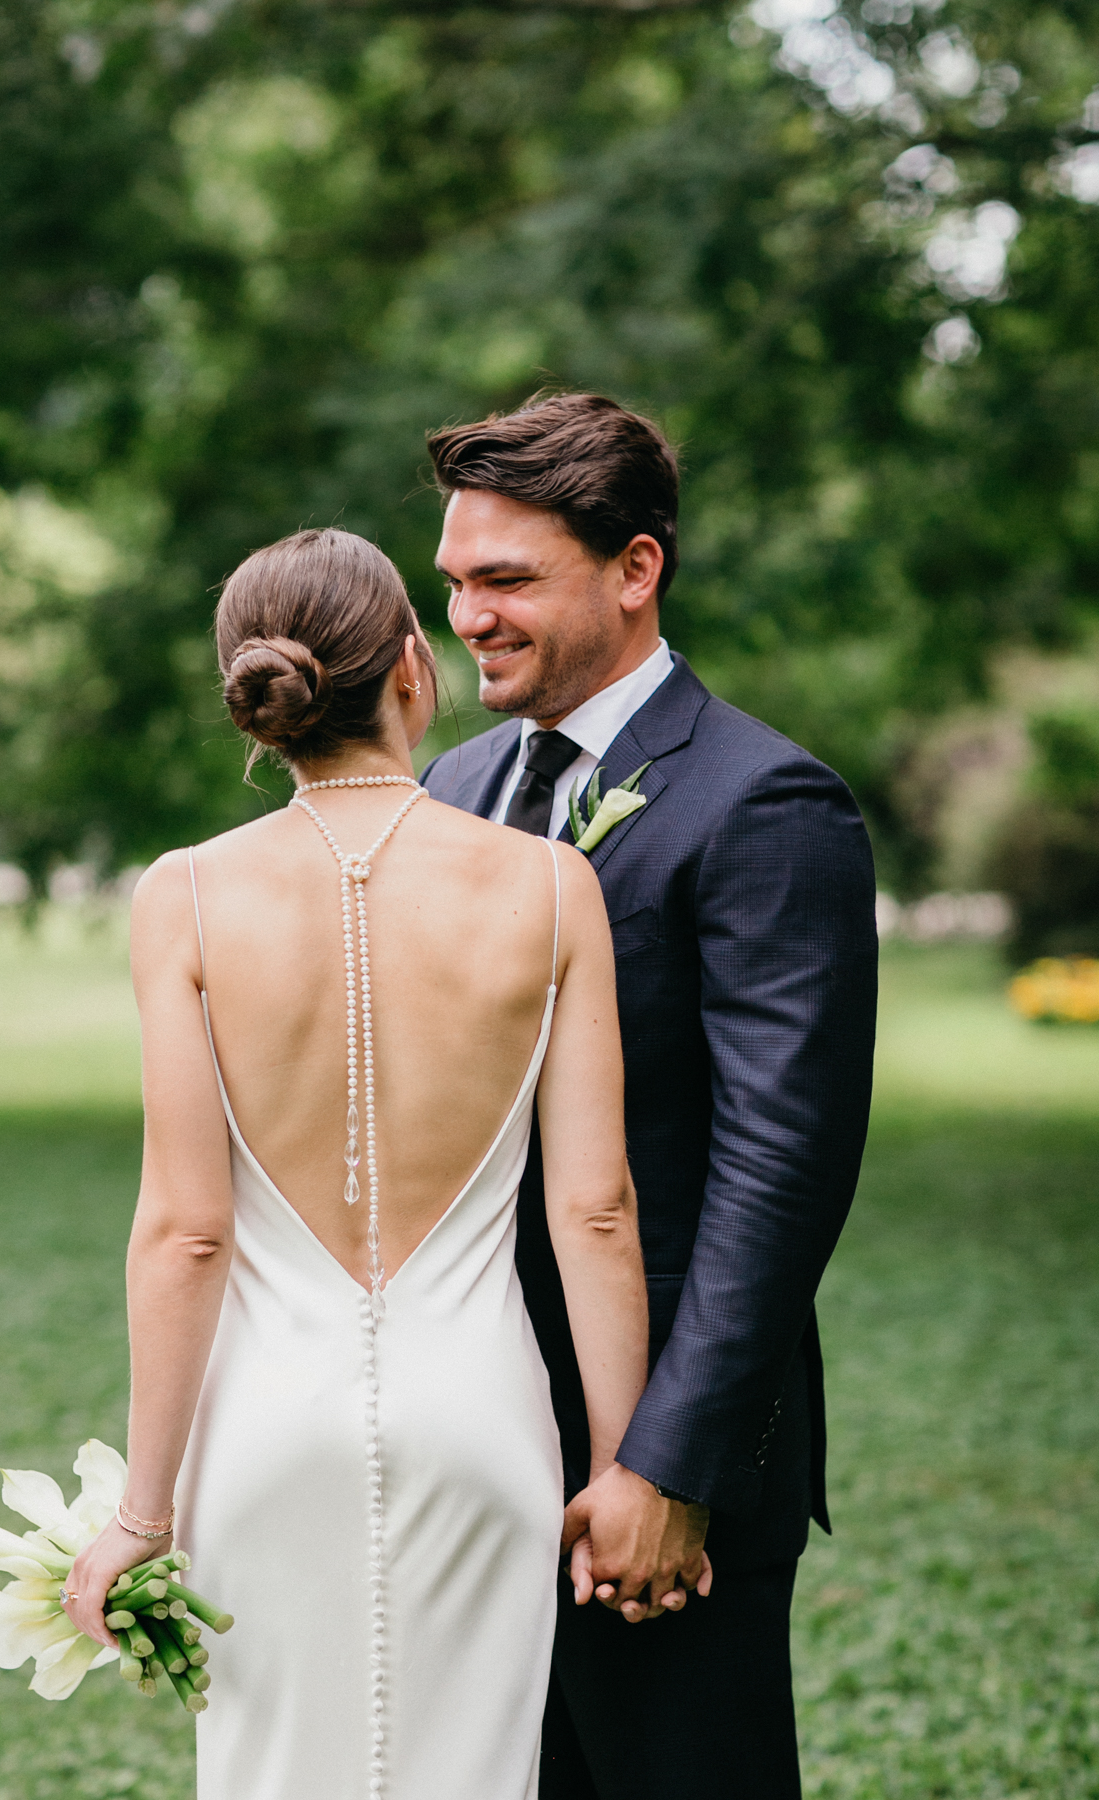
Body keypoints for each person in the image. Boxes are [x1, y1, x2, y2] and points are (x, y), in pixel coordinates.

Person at [64, 527, 662, 1800]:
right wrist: (622, 1469)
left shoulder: (184, 893)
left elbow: (186, 1231)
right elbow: (595, 1211)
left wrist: (141, 1515)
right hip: (486, 1428)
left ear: (259, 697)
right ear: (411, 667)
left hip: (266, 1437)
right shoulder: (554, 888)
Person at [421, 392, 879, 1800]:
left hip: (658, 1467)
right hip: (465, 1435)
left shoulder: (764, 805)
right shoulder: (453, 785)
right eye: (455, 583)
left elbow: (781, 1162)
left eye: (507, 580)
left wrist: (664, 1467)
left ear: (635, 570)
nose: (471, 617)